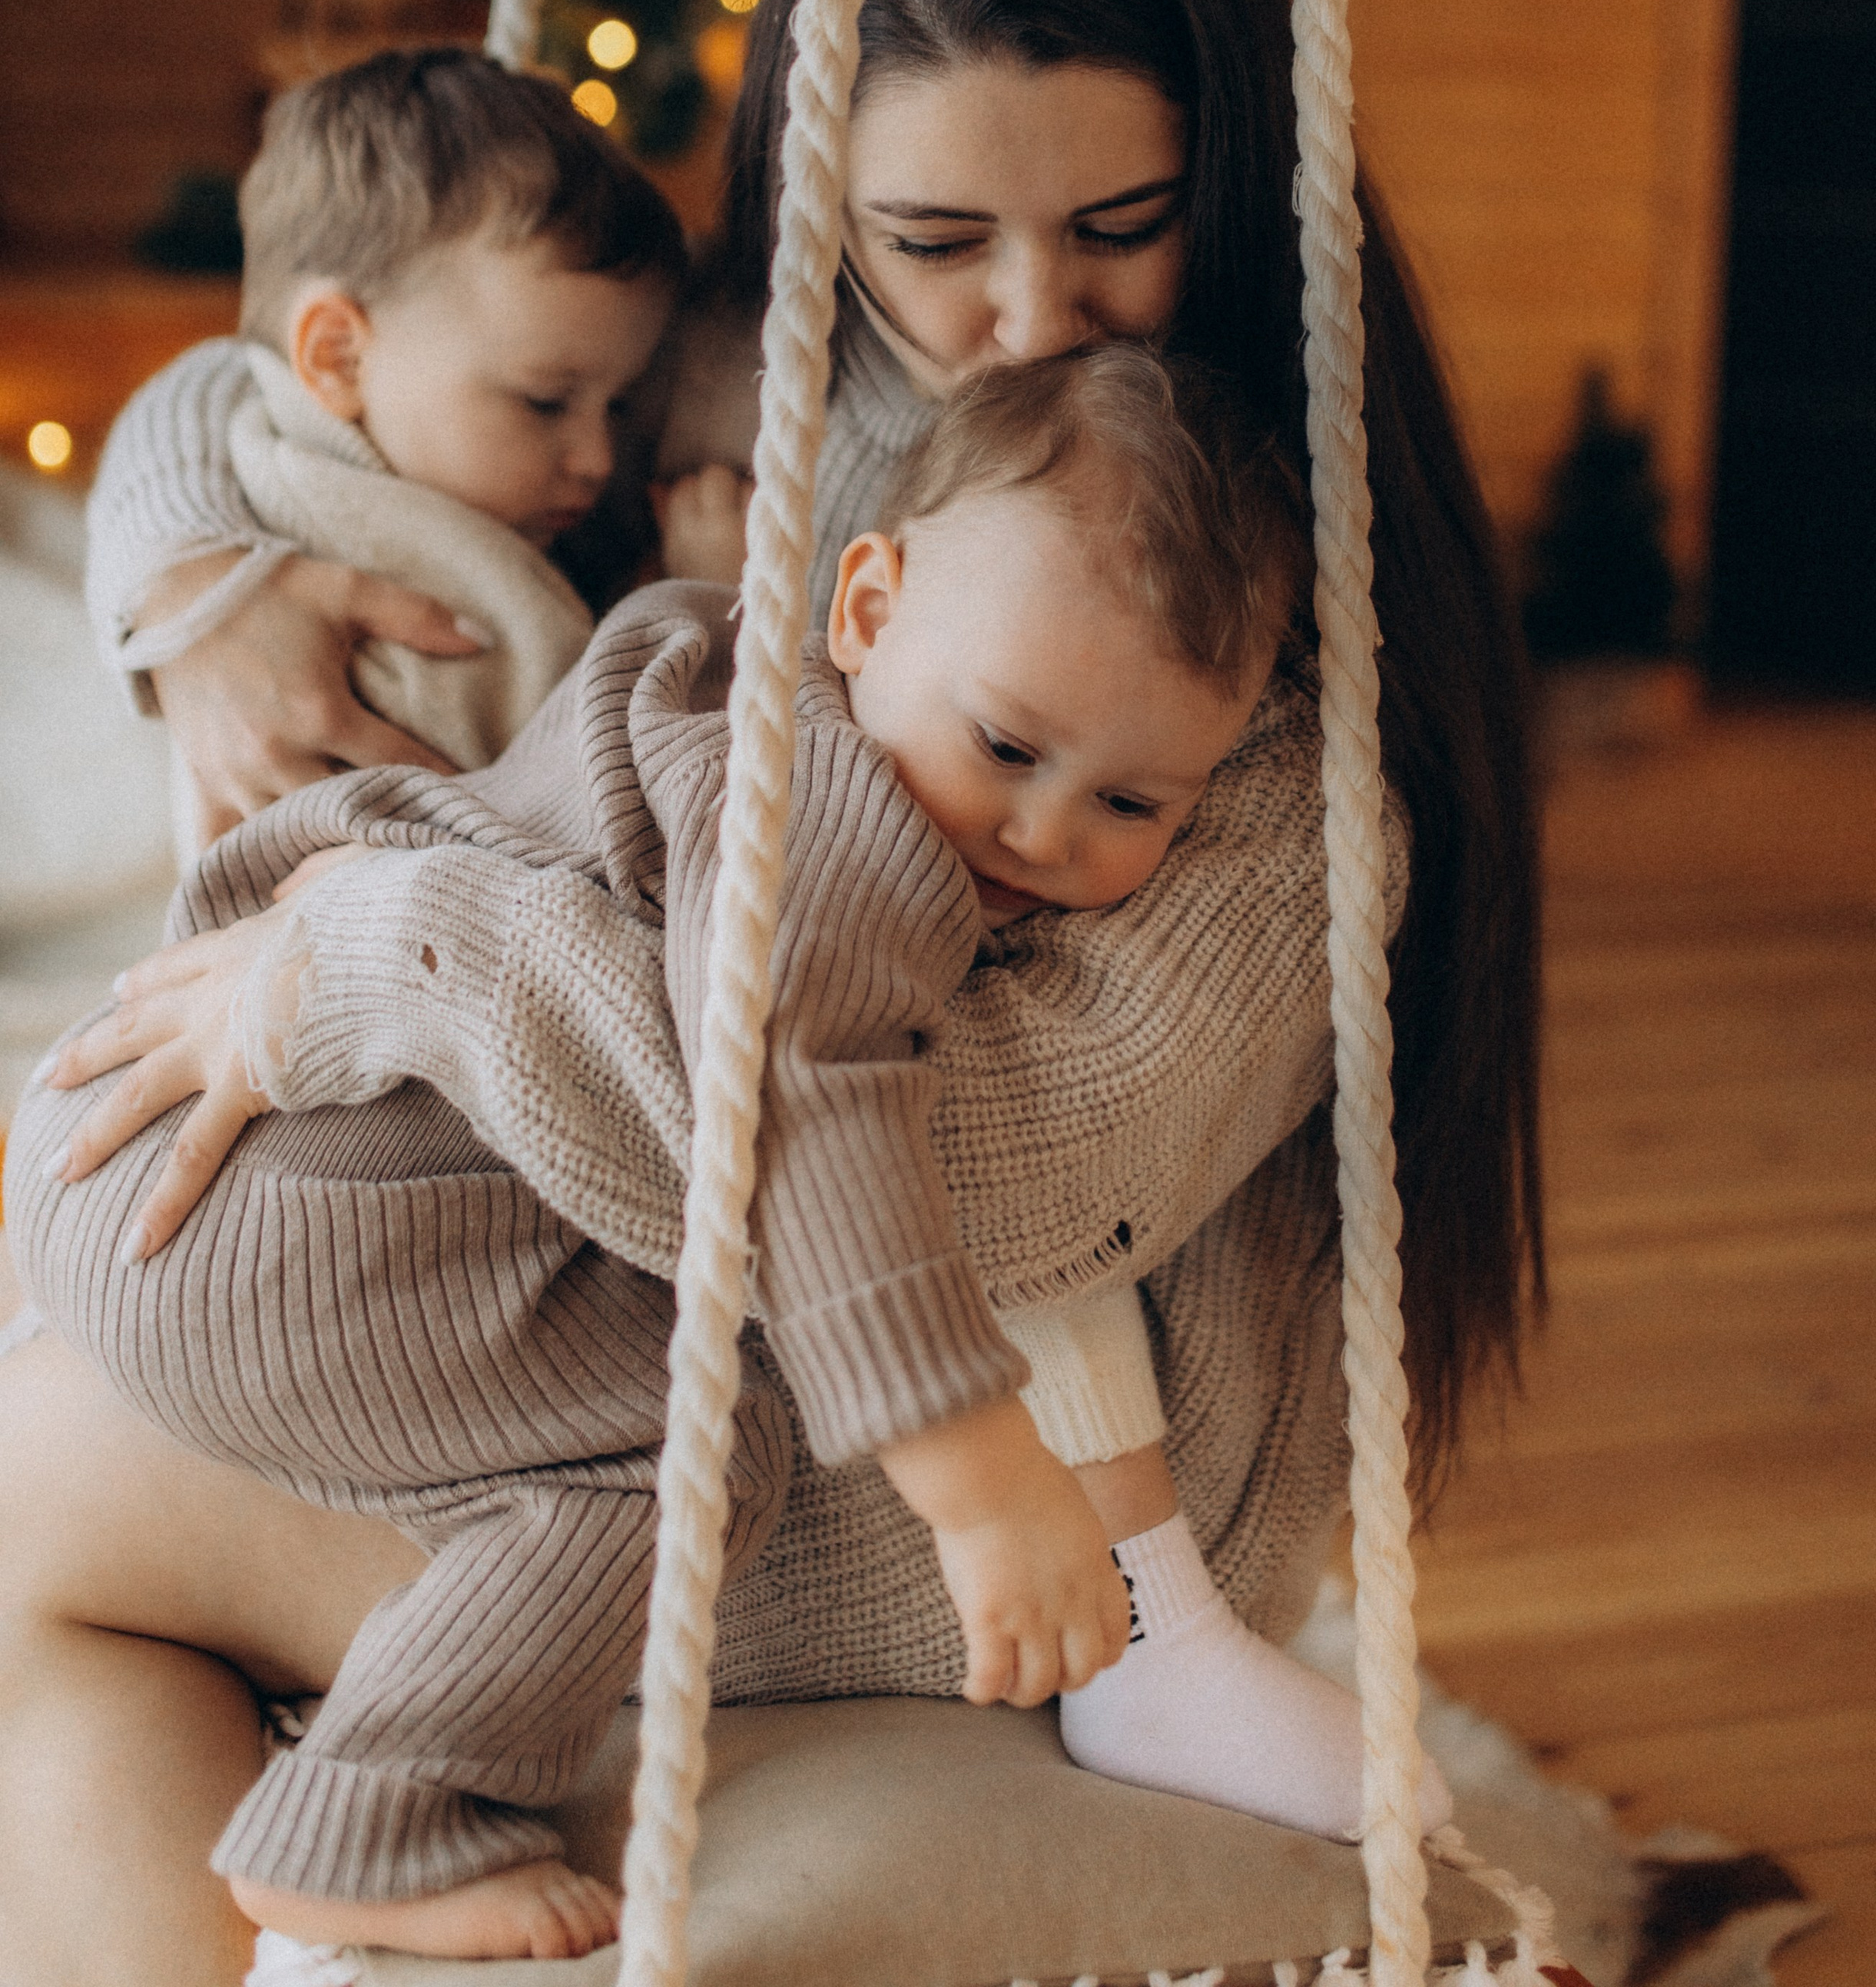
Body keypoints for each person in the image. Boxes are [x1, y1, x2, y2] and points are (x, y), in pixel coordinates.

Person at [0, 0, 1541, 1987]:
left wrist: (390, 952)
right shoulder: (761, 391)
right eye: (933, 239)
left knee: (40, 1494)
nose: (1028, 316)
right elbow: (352, 354)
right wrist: (193, 566)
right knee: (61, 1477)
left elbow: (980, 1173)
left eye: (1124, 217)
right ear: (823, 203)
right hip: (652, 1313)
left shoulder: (1244, 636)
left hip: (994, 1464)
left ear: (1245, 180)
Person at [17, 346, 1449, 1964]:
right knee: (670, 1464)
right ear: (862, 607)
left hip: (178, 1162)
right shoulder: (836, 817)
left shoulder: (727, 667)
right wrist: (976, 1482)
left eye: (1129, 801)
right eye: (1004, 746)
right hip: (309, 1200)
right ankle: (375, 1816)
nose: (1039, 836)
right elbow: (806, 1107)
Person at [191, 43, 685, 779]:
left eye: (617, 405)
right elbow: (594, 807)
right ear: (338, 358)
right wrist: (699, 604)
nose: (599, 459)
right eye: (544, 401)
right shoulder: (401, 619)